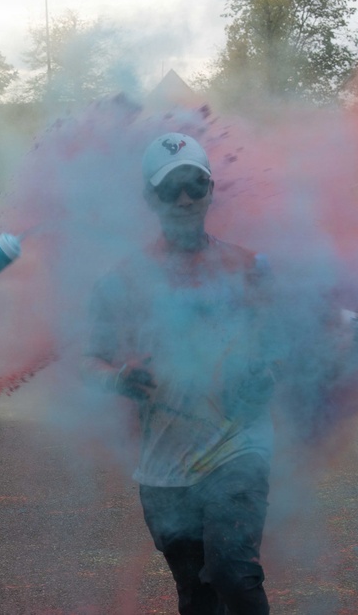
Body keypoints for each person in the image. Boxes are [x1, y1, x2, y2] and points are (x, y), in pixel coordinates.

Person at [85, 133, 275, 614]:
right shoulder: (121, 280)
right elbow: (90, 361)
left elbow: (284, 346)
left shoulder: (249, 267)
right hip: (165, 464)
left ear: (211, 188)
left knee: (236, 576)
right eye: (171, 189)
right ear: (151, 198)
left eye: (195, 184)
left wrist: (265, 376)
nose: (186, 198)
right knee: (197, 595)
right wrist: (119, 376)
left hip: (238, 447)